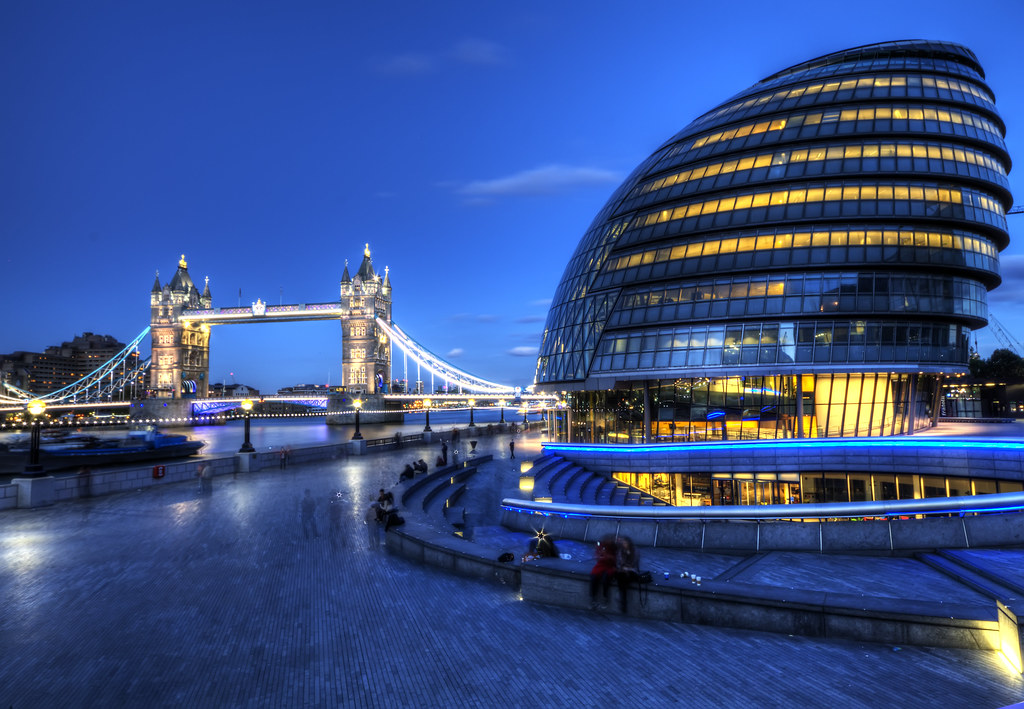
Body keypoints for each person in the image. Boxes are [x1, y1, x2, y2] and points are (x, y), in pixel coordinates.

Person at [589, 535, 617, 610]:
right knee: (594, 576)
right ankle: (593, 598)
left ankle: (605, 597)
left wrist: (606, 556)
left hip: (611, 566)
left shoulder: (615, 547)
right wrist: (601, 556)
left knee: (606, 578)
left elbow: (615, 560)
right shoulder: (601, 546)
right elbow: (598, 557)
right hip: (601, 565)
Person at [615, 536, 640, 613]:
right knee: (621, 577)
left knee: (623, 578)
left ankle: (622, 599)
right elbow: (618, 563)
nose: (624, 544)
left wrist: (626, 568)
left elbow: (634, 564)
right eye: (623, 543)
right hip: (623, 571)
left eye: (625, 543)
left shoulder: (635, 551)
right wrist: (623, 567)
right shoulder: (621, 551)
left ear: (629, 543)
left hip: (632, 571)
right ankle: (623, 601)